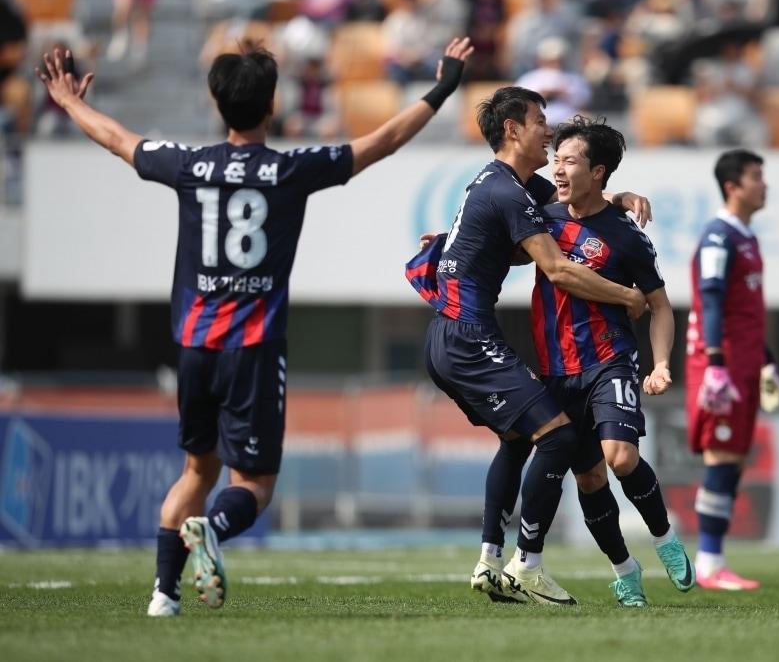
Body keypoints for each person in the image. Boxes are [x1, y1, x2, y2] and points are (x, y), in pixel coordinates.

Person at [36, 37, 474, 616]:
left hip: (194, 344)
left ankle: (163, 597)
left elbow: (120, 141)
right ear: (272, 105)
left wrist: (68, 103)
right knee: (254, 485)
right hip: (254, 347)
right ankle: (212, 530)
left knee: (196, 468)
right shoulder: (291, 169)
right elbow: (383, 141)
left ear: (218, 106)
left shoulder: (190, 165)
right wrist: (443, 86)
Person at [405, 86, 649, 606]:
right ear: (513, 130)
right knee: (558, 437)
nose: (550, 132)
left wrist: (620, 199)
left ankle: (490, 562)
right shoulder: (507, 191)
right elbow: (556, 268)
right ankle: (528, 567)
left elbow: (573, 203)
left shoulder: (510, 184)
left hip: (449, 337)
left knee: (518, 440)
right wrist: (628, 295)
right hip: (466, 336)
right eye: (541, 121)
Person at [529, 116, 695, 606]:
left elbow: (660, 306)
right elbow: (491, 238)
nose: (557, 168)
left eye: (569, 161)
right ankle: (625, 570)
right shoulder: (539, 216)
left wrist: (661, 364)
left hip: (610, 361)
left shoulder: (626, 235)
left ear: (598, 171)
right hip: (556, 369)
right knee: (589, 477)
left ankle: (665, 539)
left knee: (620, 458)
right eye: (555, 159)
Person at [685, 149, 779, 591]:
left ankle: (713, 559)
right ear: (733, 187)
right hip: (720, 364)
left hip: (743, 363)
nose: (764, 185)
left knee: (733, 460)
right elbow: (709, 299)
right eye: (756, 177)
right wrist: (715, 365)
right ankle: (709, 563)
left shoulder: (746, 236)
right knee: (722, 458)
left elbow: (746, 311)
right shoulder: (718, 236)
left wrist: (765, 361)